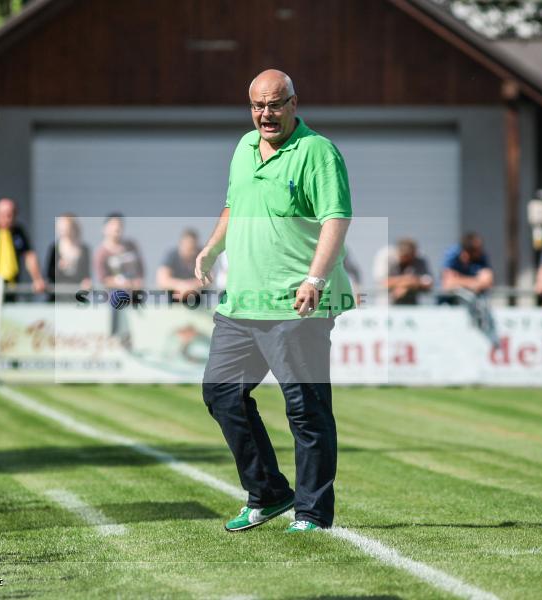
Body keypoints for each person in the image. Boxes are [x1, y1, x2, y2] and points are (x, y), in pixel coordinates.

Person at [196, 69, 352, 533]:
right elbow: (233, 206)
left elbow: (336, 219)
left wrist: (316, 279)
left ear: (293, 104)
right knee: (221, 394)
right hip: (242, 303)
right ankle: (268, 492)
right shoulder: (244, 148)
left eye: (275, 104)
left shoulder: (318, 152)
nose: (266, 114)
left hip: (296, 303)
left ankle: (312, 513)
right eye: (258, 106)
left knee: (305, 407)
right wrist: (211, 248)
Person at [94, 213, 145, 290]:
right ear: (105, 228)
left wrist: (138, 281)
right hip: (114, 297)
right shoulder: (101, 253)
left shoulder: (131, 246)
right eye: (113, 224)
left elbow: (141, 269)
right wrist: (122, 283)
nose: (117, 227)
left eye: (120, 224)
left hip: (134, 296)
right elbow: (102, 279)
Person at [440, 233, 494, 300]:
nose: (480, 252)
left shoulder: (482, 257)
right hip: (450, 304)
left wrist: (458, 280)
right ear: (466, 252)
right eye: (476, 250)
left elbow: (487, 283)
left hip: (475, 302)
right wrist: (475, 282)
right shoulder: (453, 255)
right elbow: (447, 285)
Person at [157, 229, 205, 303]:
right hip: (174, 302)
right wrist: (181, 286)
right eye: (188, 248)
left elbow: (210, 279)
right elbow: (162, 280)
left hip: (198, 303)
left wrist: (191, 287)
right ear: (181, 244)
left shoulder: (201, 255)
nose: (191, 252)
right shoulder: (171, 255)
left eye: (193, 248)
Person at [46, 213, 92, 290]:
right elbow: (49, 274)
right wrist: (59, 268)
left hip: (76, 294)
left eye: (65, 227)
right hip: (59, 294)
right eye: (60, 227)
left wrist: (86, 282)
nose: (62, 230)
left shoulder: (84, 249)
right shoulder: (54, 248)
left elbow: (86, 274)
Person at [386, 239, 433, 305]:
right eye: (405, 256)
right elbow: (384, 282)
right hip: (388, 306)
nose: (408, 260)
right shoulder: (388, 258)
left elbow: (428, 283)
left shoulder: (420, 260)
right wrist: (410, 281)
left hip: (412, 306)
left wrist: (405, 286)